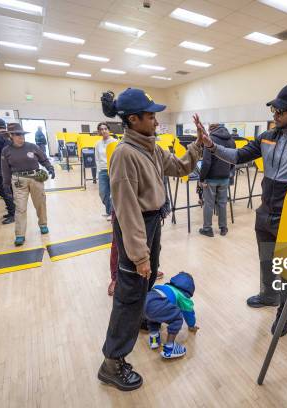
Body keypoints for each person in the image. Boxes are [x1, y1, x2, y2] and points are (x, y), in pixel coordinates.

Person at [194, 83, 287, 336]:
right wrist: (211, 146)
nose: (275, 115)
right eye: (274, 111)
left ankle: (286, 310)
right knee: (267, 261)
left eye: (280, 111)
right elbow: (237, 156)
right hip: (265, 213)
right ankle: (269, 296)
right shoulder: (268, 137)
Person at [98, 88, 203, 392]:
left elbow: (181, 168)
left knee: (142, 288)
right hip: (137, 228)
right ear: (133, 119)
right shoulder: (124, 154)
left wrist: (197, 144)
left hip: (152, 224)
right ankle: (112, 362)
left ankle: (142, 318)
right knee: (128, 296)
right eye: (151, 115)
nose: (156, 120)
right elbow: (127, 211)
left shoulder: (151, 148)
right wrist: (140, 256)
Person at [1, 123, 55, 246]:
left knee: (40, 203)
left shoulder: (32, 147)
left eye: (22, 134)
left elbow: (44, 159)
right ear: (11, 136)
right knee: (20, 208)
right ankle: (20, 234)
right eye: (18, 135)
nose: (21, 137)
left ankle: (43, 224)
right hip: (18, 180)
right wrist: (6, 184)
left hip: (35, 177)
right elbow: (5, 168)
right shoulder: (6, 151)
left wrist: (50, 168)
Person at [144, 271, 198, 359]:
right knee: (177, 318)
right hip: (158, 304)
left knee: (153, 318)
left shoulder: (166, 286)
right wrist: (191, 325)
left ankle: (154, 339)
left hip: (145, 301)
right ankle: (170, 348)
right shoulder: (182, 296)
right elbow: (189, 313)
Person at [198, 124, 235, 237]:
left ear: (211, 129)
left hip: (211, 178)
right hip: (225, 177)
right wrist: (229, 172)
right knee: (223, 203)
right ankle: (223, 228)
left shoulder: (211, 139)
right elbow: (234, 158)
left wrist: (202, 178)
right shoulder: (231, 140)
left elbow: (206, 161)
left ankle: (207, 229)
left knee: (208, 204)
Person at [94, 122, 117, 220]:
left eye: (105, 129)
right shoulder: (98, 144)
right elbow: (97, 158)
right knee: (103, 193)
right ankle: (109, 211)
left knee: (114, 193)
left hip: (113, 170)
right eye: (101, 129)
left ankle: (112, 213)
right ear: (99, 131)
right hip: (103, 171)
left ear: (109, 130)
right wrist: (98, 171)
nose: (103, 131)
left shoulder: (115, 142)